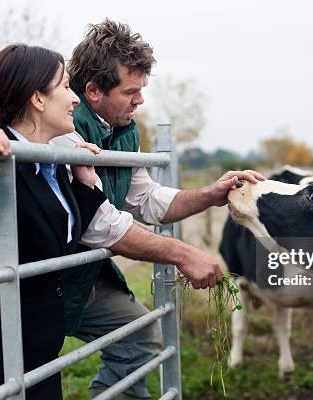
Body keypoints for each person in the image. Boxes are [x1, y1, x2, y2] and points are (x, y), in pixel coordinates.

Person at [52, 19, 265, 399]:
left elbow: (147, 199)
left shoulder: (125, 129)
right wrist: (184, 253)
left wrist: (212, 194)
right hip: (39, 275)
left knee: (137, 337)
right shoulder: (64, 127)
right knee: (23, 375)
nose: (140, 100)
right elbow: (100, 224)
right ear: (93, 91)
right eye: (131, 91)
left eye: (141, 90)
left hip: (80, 274)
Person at [0, 44, 107, 399]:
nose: (75, 99)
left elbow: (56, 242)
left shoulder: (52, 163)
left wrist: (86, 183)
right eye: (66, 86)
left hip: (39, 355)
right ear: (38, 100)